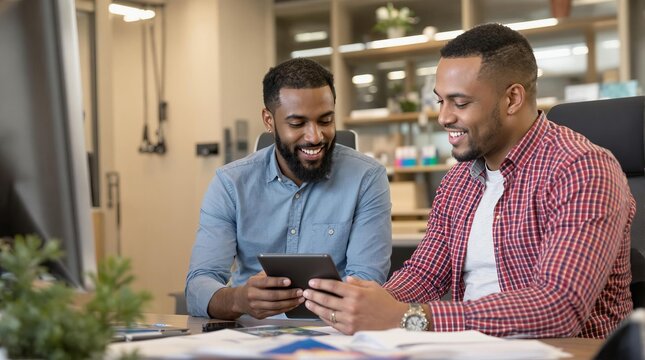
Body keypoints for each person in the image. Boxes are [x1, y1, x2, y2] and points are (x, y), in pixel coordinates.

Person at [303, 23, 635, 339]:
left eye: (460, 103)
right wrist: (366, 303)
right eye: (440, 100)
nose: (444, 117)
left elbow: (558, 306)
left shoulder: (582, 168)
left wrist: (407, 318)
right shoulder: (459, 180)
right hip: (470, 347)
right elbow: (424, 274)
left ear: (512, 99)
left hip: (564, 351)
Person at [185, 58, 392, 320]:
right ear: (268, 121)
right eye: (297, 124)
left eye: (325, 120)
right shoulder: (230, 184)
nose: (314, 136)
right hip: (250, 337)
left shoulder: (367, 178)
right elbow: (197, 286)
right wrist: (238, 299)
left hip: (333, 335)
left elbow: (367, 283)